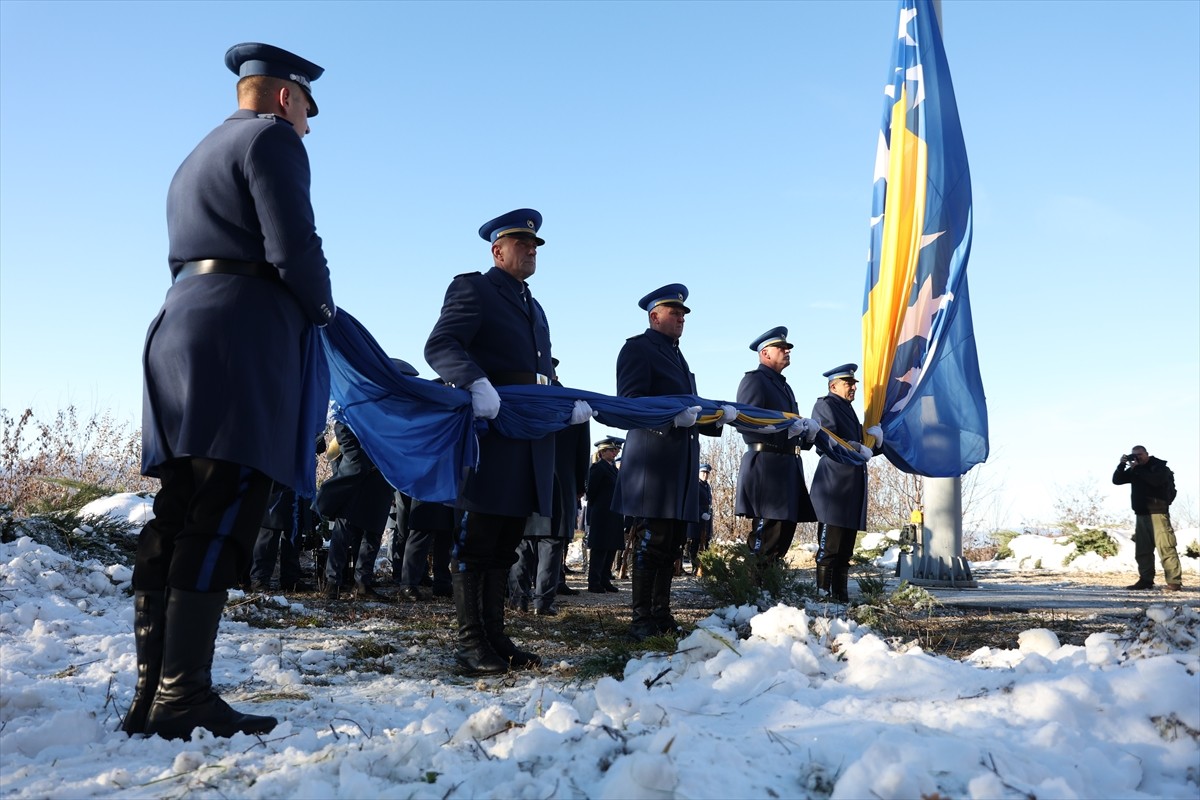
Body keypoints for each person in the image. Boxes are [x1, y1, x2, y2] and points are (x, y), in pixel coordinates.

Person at [128, 43, 332, 740]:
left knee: (180, 504)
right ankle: (183, 696)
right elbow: (293, 246)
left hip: (180, 325)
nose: (308, 125)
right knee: (228, 497)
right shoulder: (273, 141)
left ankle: (151, 692)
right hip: (239, 335)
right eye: (307, 108)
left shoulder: (198, 152)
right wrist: (324, 309)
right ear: (284, 98)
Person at [425, 209, 589, 673]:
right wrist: (475, 383)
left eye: (535, 244)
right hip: (490, 431)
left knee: (505, 541)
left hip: (528, 434)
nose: (532, 249)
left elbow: (541, 371)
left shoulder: (533, 306)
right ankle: (469, 644)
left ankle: (495, 637)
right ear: (498, 250)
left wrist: (559, 404)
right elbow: (441, 346)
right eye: (522, 243)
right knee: (477, 540)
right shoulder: (474, 288)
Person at [613, 284, 735, 640]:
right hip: (653, 457)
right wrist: (669, 418)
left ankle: (661, 614)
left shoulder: (677, 356)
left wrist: (717, 417)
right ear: (654, 316)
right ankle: (641, 620)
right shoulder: (638, 349)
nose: (681, 318)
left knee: (670, 543)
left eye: (683, 313)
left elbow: (690, 406)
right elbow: (631, 401)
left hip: (678, 460)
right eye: (674, 312)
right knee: (653, 540)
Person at [735, 328, 821, 581]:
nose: (787, 351)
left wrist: (805, 436)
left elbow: (790, 429)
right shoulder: (755, 381)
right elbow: (746, 424)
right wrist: (784, 431)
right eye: (781, 347)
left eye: (787, 347)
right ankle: (751, 594)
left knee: (782, 535)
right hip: (767, 467)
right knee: (766, 537)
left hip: (787, 466)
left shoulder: (784, 386)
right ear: (765, 353)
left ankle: (768, 593)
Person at [809, 363, 882, 603]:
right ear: (833, 386)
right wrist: (857, 444)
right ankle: (823, 596)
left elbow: (862, 451)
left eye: (853, 383)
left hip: (850, 487)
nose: (853, 387)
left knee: (845, 550)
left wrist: (876, 444)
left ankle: (840, 596)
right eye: (848, 383)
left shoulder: (848, 410)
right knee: (829, 548)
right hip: (834, 486)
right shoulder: (825, 405)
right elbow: (827, 437)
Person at [1113, 446, 1183, 591]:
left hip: (1158, 513)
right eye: (1134, 455)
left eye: (1140, 455)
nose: (1137, 457)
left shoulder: (1159, 467)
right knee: (1142, 550)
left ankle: (1174, 582)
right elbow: (1117, 480)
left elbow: (1156, 481)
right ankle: (1145, 580)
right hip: (1141, 514)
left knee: (1166, 547)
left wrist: (1137, 469)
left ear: (1147, 454)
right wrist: (1121, 465)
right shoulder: (1135, 469)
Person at [586, 437, 625, 593]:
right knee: (600, 548)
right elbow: (592, 493)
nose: (615, 452)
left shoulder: (614, 469)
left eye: (616, 450)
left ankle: (605, 579)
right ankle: (594, 581)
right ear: (602, 452)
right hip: (602, 514)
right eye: (612, 450)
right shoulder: (598, 468)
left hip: (614, 514)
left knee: (611, 547)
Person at [684, 463, 714, 575]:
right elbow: (693, 502)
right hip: (697, 519)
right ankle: (695, 567)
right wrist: (701, 513)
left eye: (707, 473)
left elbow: (709, 503)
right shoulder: (696, 486)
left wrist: (709, 513)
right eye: (703, 473)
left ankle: (703, 567)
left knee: (705, 543)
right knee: (695, 544)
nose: (705, 475)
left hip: (706, 519)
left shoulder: (707, 486)